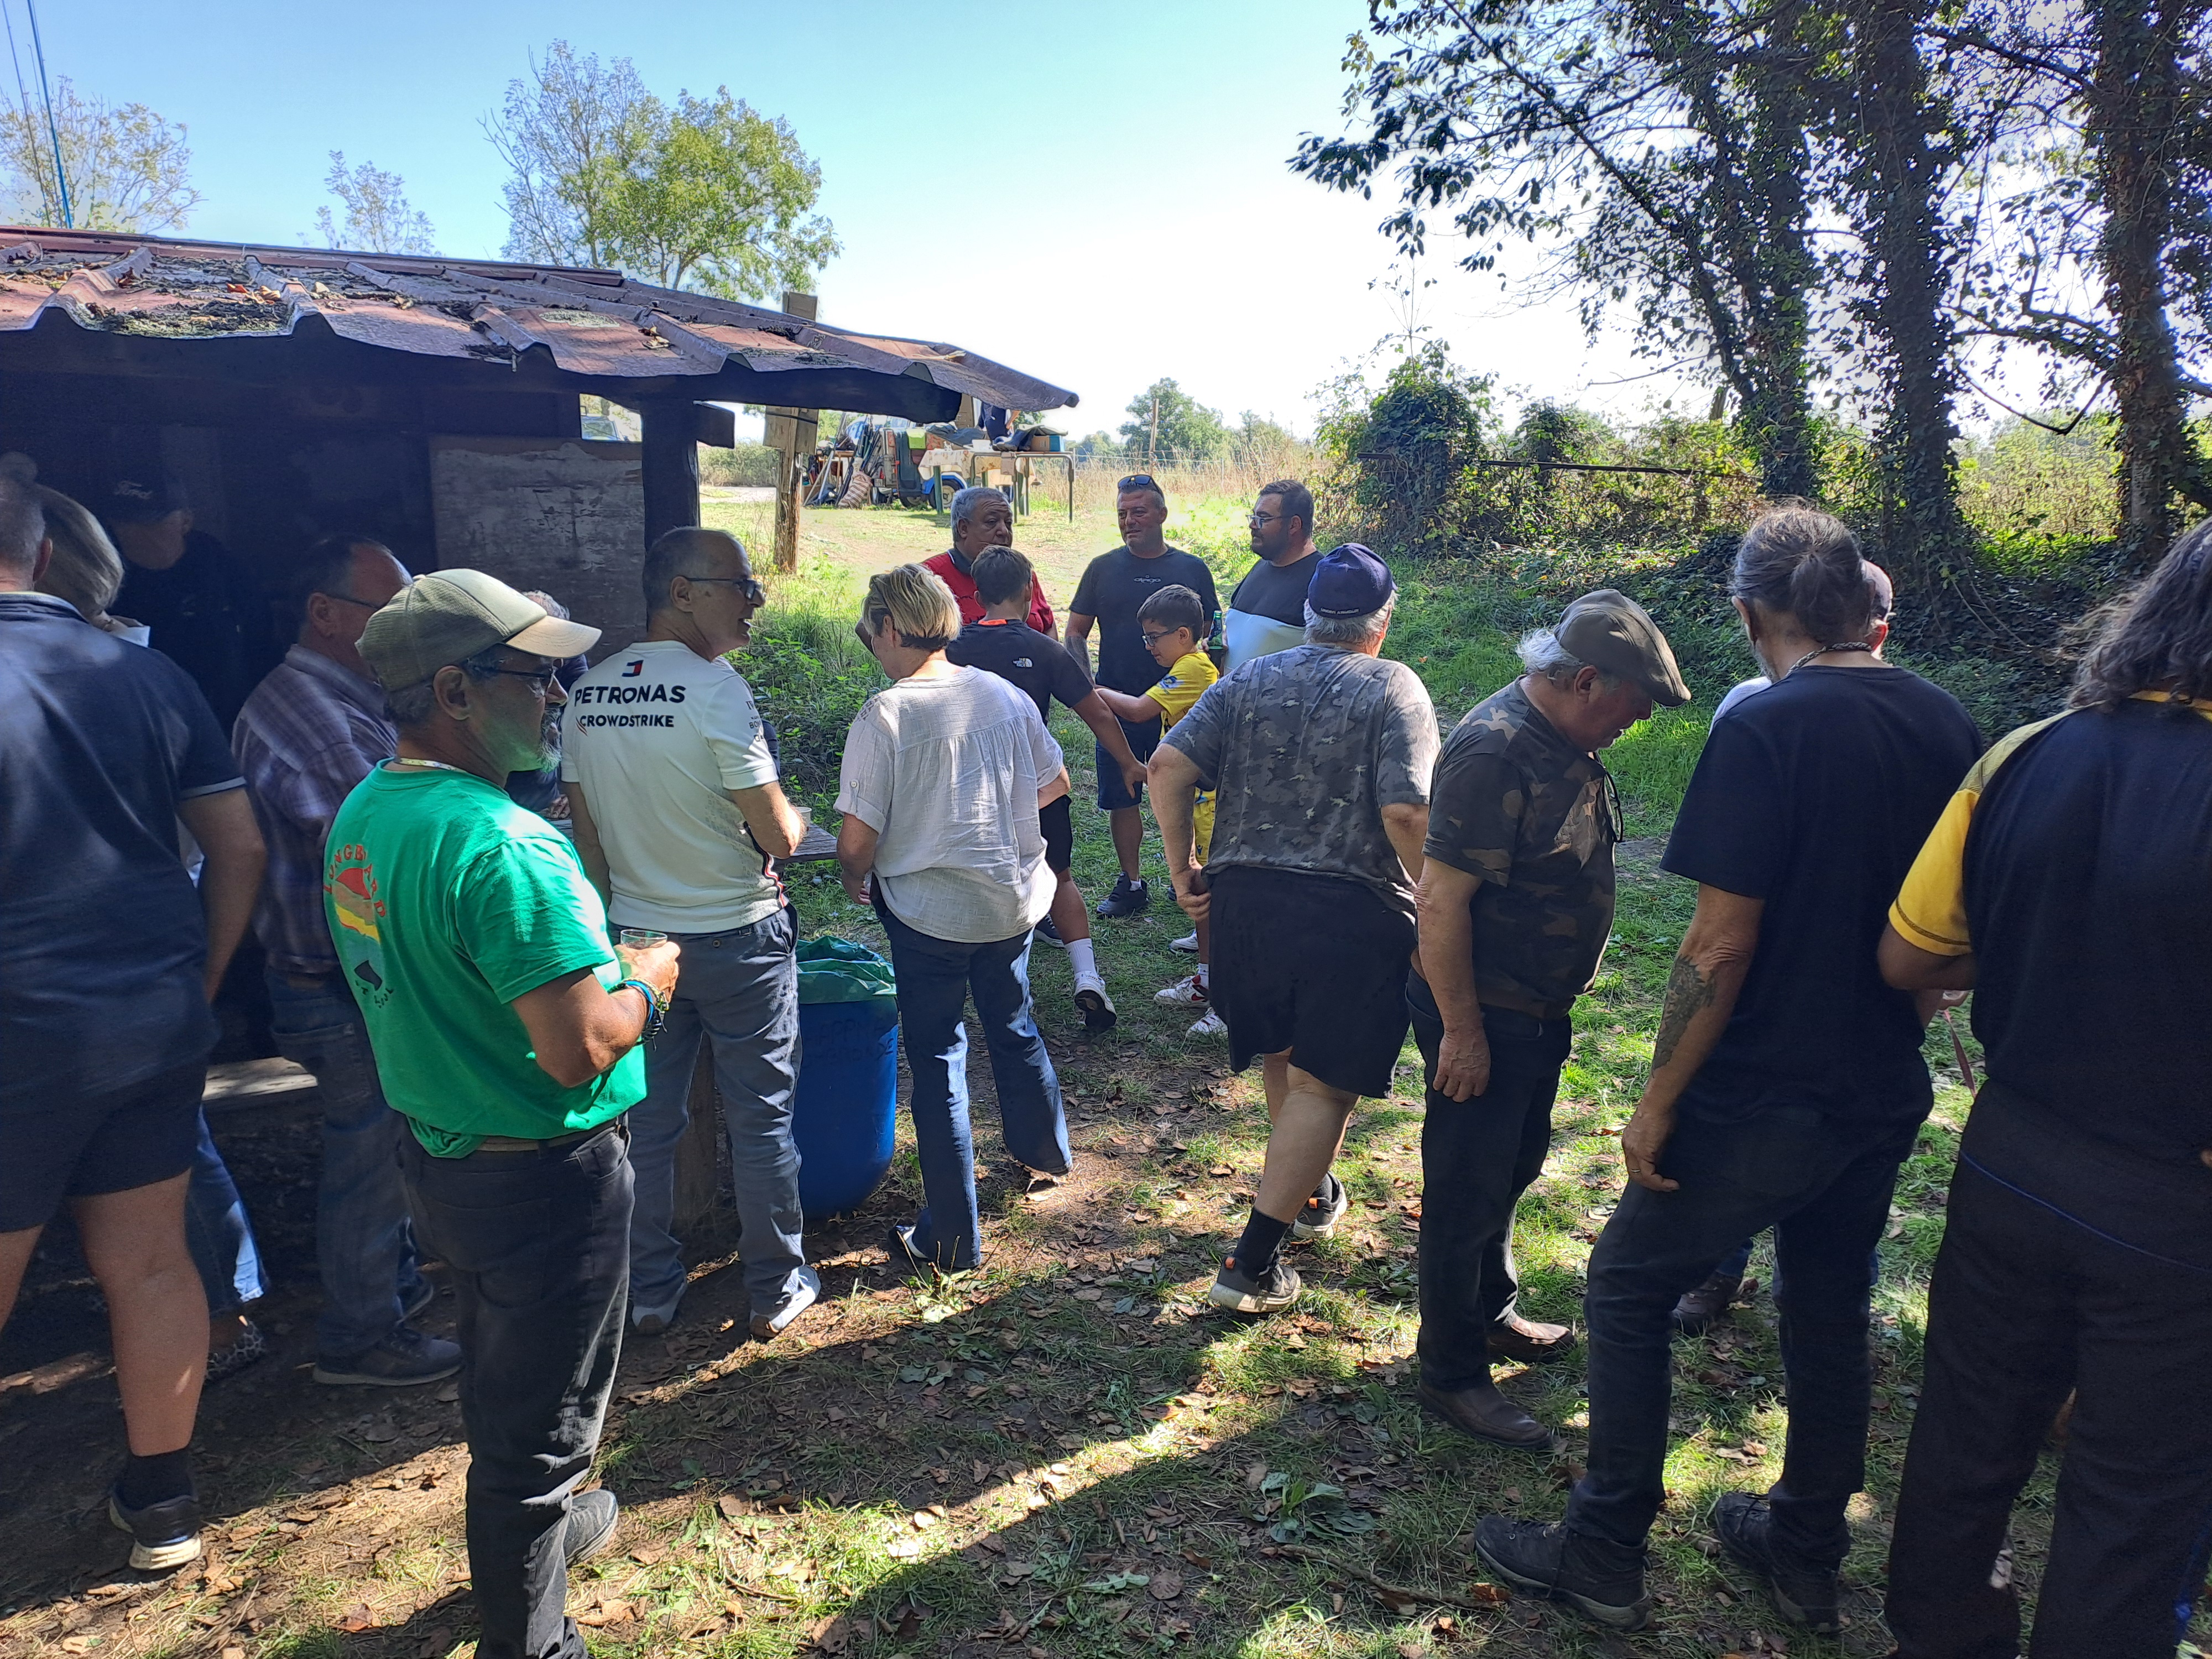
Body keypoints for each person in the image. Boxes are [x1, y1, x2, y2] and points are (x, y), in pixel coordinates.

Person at [1471, 507, 1979, 1634]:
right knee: (1827, 1306)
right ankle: (1803, 1547)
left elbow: (1716, 944)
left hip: (1762, 1087)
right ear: (1860, 606)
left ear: (1750, 613)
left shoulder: (1767, 728)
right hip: (1876, 1086)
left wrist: (1655, 1104)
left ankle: (1600, 1550)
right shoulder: (1948, 723)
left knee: (1625, 1285)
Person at [1876, 524, 2212, 1659]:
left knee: (1965, 1433)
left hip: (2009, 1158)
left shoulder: (2026, 751)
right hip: (2177, 1205)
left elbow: (1909, 956)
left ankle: (1939, 1634)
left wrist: (2041, 947)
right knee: (2136, 1496)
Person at [332, 569, 677, 1659]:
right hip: (543, 1173)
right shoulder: (508, 845)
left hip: (438, 1156)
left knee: (505, 1366)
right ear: (454, 690)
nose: (560, 695)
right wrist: (649, 979)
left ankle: (554, 1512)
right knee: (539, 1428)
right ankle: (529, 1637)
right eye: (537, 675)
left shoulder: (368, 812)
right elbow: (578, 1046)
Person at [0, 473, 268, 1572]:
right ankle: (163, 1501)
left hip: (14, 1031)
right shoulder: (150, 675)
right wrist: (193, 987)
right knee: (154, 1264)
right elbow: (239, 847)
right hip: (147, 1020)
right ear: (51, 555)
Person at [1411, 592, 1688, 1449]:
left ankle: (1490, 1311)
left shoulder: (1566, 737)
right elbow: (1440, 900)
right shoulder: (1496, 750)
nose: (1634, 725)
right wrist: (1462, 1032)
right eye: (1631, 708)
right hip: (1485, 1011)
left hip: (1531, 1010)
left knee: (1511, 1166)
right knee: (1466, 1184)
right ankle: (1450, 1369)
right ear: (1585, 679)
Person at [1150, 545, 1438, 1314]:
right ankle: (1251, 1265)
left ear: (1309, 614)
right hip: (1349, 911)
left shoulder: (1247, 678)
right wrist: (1436, 901)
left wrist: (1183, 869)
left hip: (1245, 906)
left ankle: (1311, 1194)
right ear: (1383, 621)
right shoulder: (1394, 688)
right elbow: (1408, 811)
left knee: (1285, 1056)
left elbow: (1167, 766)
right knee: (1323, 1087)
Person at [562, 527, 821, 1343]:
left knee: (649, 1124)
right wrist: (803, 818)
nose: (754, 599)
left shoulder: (587, 692)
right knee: (762, 1118)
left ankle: (648, 1289)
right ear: (680, 592)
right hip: (739, 936)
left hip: (638, 944)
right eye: (740, 584)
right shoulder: (717, 690)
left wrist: (616, 924)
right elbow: (779, 837)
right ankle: (776, 1284)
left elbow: (589, 840)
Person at [233, 531, 464, 1387]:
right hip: (339, 984)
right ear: (325, 615)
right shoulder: (317, 719)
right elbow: (379, 864)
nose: (400, 627)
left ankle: (389, 1296)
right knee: (367, 1152)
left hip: (343, 978)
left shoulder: (345, 700)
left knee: (382, 1144)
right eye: (386, 610)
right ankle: (362, 1334)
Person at [1673, 559, 1897, 1334]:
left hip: (1866, 978)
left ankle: (1834, 1295)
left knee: (1838, 1147)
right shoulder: (1747, 708)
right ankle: (1718, 1271)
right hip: (1765, 971)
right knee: (1745, 1136)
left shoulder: (1910, 719)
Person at [836, 565, 1072, 1272]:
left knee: (937, 1055)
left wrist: (856, 876)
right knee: (1014, 1022)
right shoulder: (1001, 693)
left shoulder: (888, 714)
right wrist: (993, 824)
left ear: (888, 628)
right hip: (1008, 900)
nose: (870, 646)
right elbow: (1055, 782)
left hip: (927, 911)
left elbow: (855, 841)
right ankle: (1043, 1152)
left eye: (868, 632)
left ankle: (949, 1236)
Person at [946, 545, 1147, 1028]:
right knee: (1059, 875)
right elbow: (1097, 711)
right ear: (1029, 589)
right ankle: (1088, 977)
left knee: (984, 881)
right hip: (1037, 787)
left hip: (971, 791)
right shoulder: (1043, 648)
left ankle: (1007, 987)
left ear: (976, 594)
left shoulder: (952, 648)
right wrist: (1129, 762)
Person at [1063, 475, 1220, 918]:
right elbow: (1075, 631)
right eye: (1121, 514)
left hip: (1183, 711)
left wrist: (1214, 694)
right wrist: (1087, 689)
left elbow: (1214, 634)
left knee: (1186, 792)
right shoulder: (1102, 568)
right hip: (1118, 704)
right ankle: (1131, 882)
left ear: (1162, 514)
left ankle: (1186, 873)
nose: (1129, 522)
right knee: (1122, 794)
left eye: (1138, 512)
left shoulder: (1192, 569)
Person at [1083, 584, 1224, 1034]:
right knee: (1201, 893)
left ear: (1184, 634)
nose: (1148, 647)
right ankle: (1206, 981)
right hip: (1195, 798)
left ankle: (1228, 1003)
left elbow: (1141, 710)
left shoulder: (1195, 670)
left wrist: (1087, 689)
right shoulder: (1186, 665)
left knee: (1219, 903)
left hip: (1213, 806)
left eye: (1154, 637)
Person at [105, 475, 280, 729]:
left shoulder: (225, 575)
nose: (133, 532)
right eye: (123, 522)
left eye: (150, 521)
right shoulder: (103, 582)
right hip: (147, 725)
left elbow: (263, 648)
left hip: (230, 723)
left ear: (185, 521)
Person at [924, 485, 1057, 635]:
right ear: (963, 529)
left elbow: (1048, 625)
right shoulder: (929, 579)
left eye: (1008, 523)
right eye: (992, 522)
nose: (1004, 532)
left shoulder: (1022, 573)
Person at [1222, 479, 1321, 672]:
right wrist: (1221, 642)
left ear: (1294, 525)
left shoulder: (1321, 580)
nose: (1252, 525)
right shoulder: (1259, 567)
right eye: (1253, 517)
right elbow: (1237, 631)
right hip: (1229, 699)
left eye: (1263, 519)